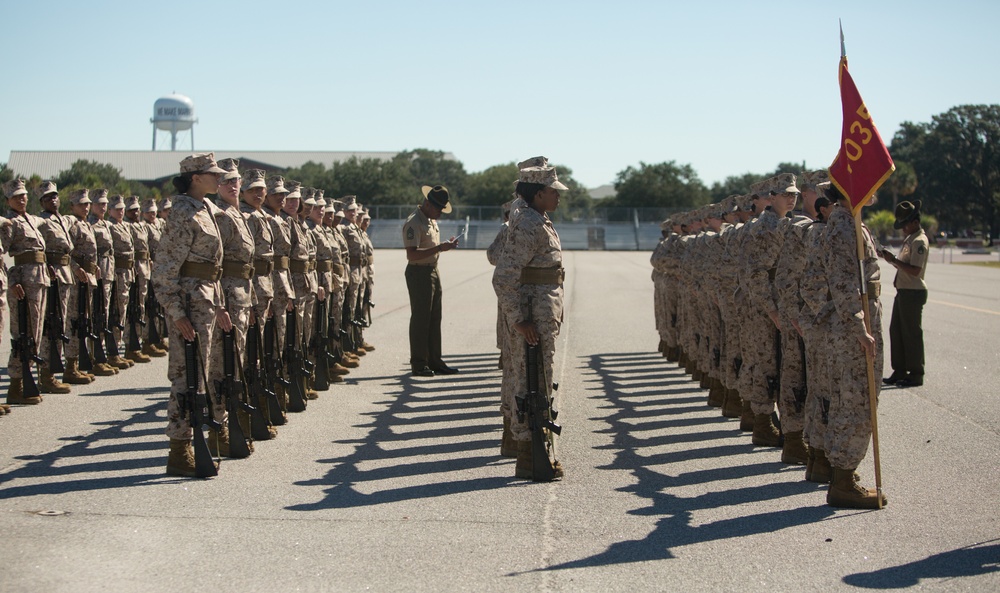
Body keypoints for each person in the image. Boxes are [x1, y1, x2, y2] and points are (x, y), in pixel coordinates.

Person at [153, 152, 231, 478]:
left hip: (207, 300)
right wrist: (175, 312)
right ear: (195, 177)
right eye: (212, 174)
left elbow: (214, 267)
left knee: (203, 375)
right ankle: (179, 448)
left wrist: (222, 304)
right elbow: (164, 271)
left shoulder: (207, 209)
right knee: (186, 377)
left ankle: (198, 438)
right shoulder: (182, 213)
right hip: (189, 304)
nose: (219, 178)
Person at [493, 160, 567, 480]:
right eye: (553, 191)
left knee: (528, 379)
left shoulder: (537, 217)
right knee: (533, 382)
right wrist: (518, 319)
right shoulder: (529, 224)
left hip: (537, 311)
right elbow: (504, 277)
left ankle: (520, 443)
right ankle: (530, 455)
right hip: (532, 314)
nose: (558, 196)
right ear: (538, 194)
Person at [401, 186, 459, 377]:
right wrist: (439, 249)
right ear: (427, 204)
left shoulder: (430, 220)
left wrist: (444, 246)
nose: (440, 214)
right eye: (438, 209)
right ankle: (418, 363)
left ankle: (435, 361)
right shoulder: (414, 222)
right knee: (420, 319)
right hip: (419, 273)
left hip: (432, 271)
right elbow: (412, 254)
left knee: (435, 318)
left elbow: (431, 246)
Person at [3, 178, 50, 406]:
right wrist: (11, 280)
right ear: (8, 200)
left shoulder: (31, 220)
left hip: (39, 280)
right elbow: (1, 256)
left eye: (23, 195)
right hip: (22, 283)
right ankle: (16, 386)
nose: (21, 199)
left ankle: (27, 379)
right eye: (16, 196)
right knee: (22, 333)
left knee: (36, 333)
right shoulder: (10, 224)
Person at [881, 200, 928, 388]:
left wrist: (894, 261)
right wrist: (891, 260)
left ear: (915, 222)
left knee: (911, 334)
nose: (903, 229)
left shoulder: (919, 242)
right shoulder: (910, 239)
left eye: (905, 225)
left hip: (913, 292)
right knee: (897, 331)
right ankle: (899, 370)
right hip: (904, 291)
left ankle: (916, 373)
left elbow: (915, 270)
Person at [36, 181, 74, 394]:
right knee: (50, 326)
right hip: (52, 276)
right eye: (48, 197)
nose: (53, 200)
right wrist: (46, 267)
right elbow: (36, 248)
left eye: (55, 196)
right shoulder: (41, 221)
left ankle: (54, 371)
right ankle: (46, 375)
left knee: (59, 325)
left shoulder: (62, 220)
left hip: (65, 275)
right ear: (41, 202)